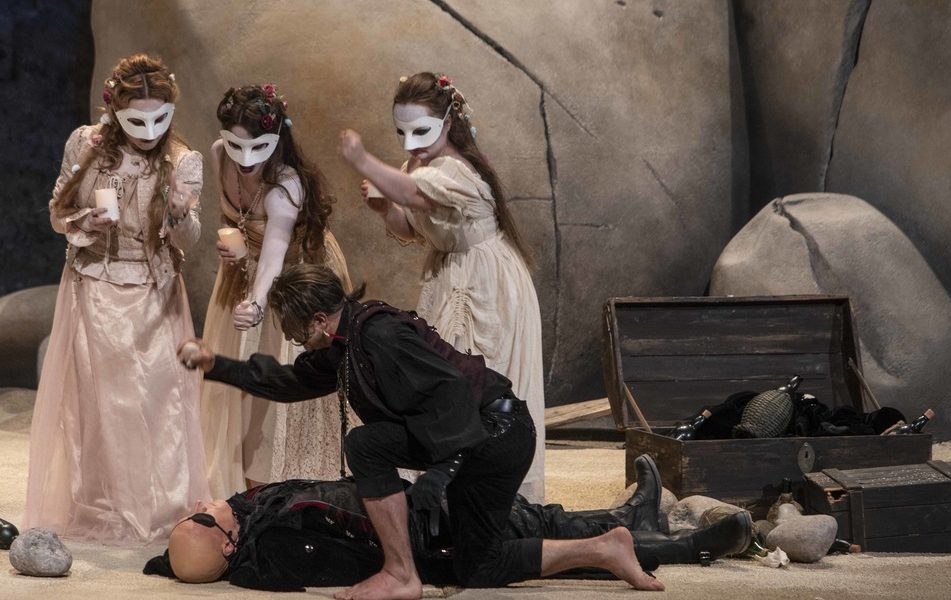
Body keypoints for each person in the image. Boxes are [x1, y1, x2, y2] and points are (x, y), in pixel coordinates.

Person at [180, 263, 663, 598]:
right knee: (478, 567)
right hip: (476, 436)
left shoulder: (380, 335)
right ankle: (606, 546)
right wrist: (216, 365)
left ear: (320, 319)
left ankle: (400, 573)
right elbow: (292, 381)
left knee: (366, 444)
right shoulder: (346, 345)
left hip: (496, 432)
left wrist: (441, 472)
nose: (293, 340)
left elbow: (453, 392)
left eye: (295, 330)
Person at [24, 53, 209, 542]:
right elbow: (58, 211)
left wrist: (178, 212)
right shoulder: (84, 145)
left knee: (157, 400)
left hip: (153, 294)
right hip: (95, 289)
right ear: (114, 110)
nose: (149, 132)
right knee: (100, 404)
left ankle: (158, 505)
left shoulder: (182, 160)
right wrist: (85, 220)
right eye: (136, 120)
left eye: (159, 119)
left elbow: (189, 240)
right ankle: (104, 503)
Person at [339, 72, 546, 502]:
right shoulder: (416, 165)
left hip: (485, 283)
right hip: (449, 274)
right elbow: (415, 226)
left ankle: (491, 493)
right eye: (401, 132)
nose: (410, 144)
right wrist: (384, 208)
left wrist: (363, 161)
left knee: (479, 377)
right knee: (445, 381)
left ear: (448, 123)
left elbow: (418, 197)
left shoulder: (457, 170)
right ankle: (451, 490)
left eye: (421, 131)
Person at [147, 454, 753, 590]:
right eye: (199, 518)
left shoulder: (256, 518)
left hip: (420, 518)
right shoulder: (276, 539)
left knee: (531, 518)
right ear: (229, 544)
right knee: (529, 534)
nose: (199, 506)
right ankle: (683, 547)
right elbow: (358, 545)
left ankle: (632, 519)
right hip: (430, 537)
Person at [199, 84, 353, 499]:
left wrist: (257, 301)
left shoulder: (286, 185)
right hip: (242, 272)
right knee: (233, 380)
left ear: (277, 138)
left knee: (280, 388)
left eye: (258, 147)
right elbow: (236, 219)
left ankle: (278, 484)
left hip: (292, 281)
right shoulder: (219, 155)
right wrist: (234, 248)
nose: (246, 159)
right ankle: (238, 479)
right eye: (237, 146)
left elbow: (275, 253)